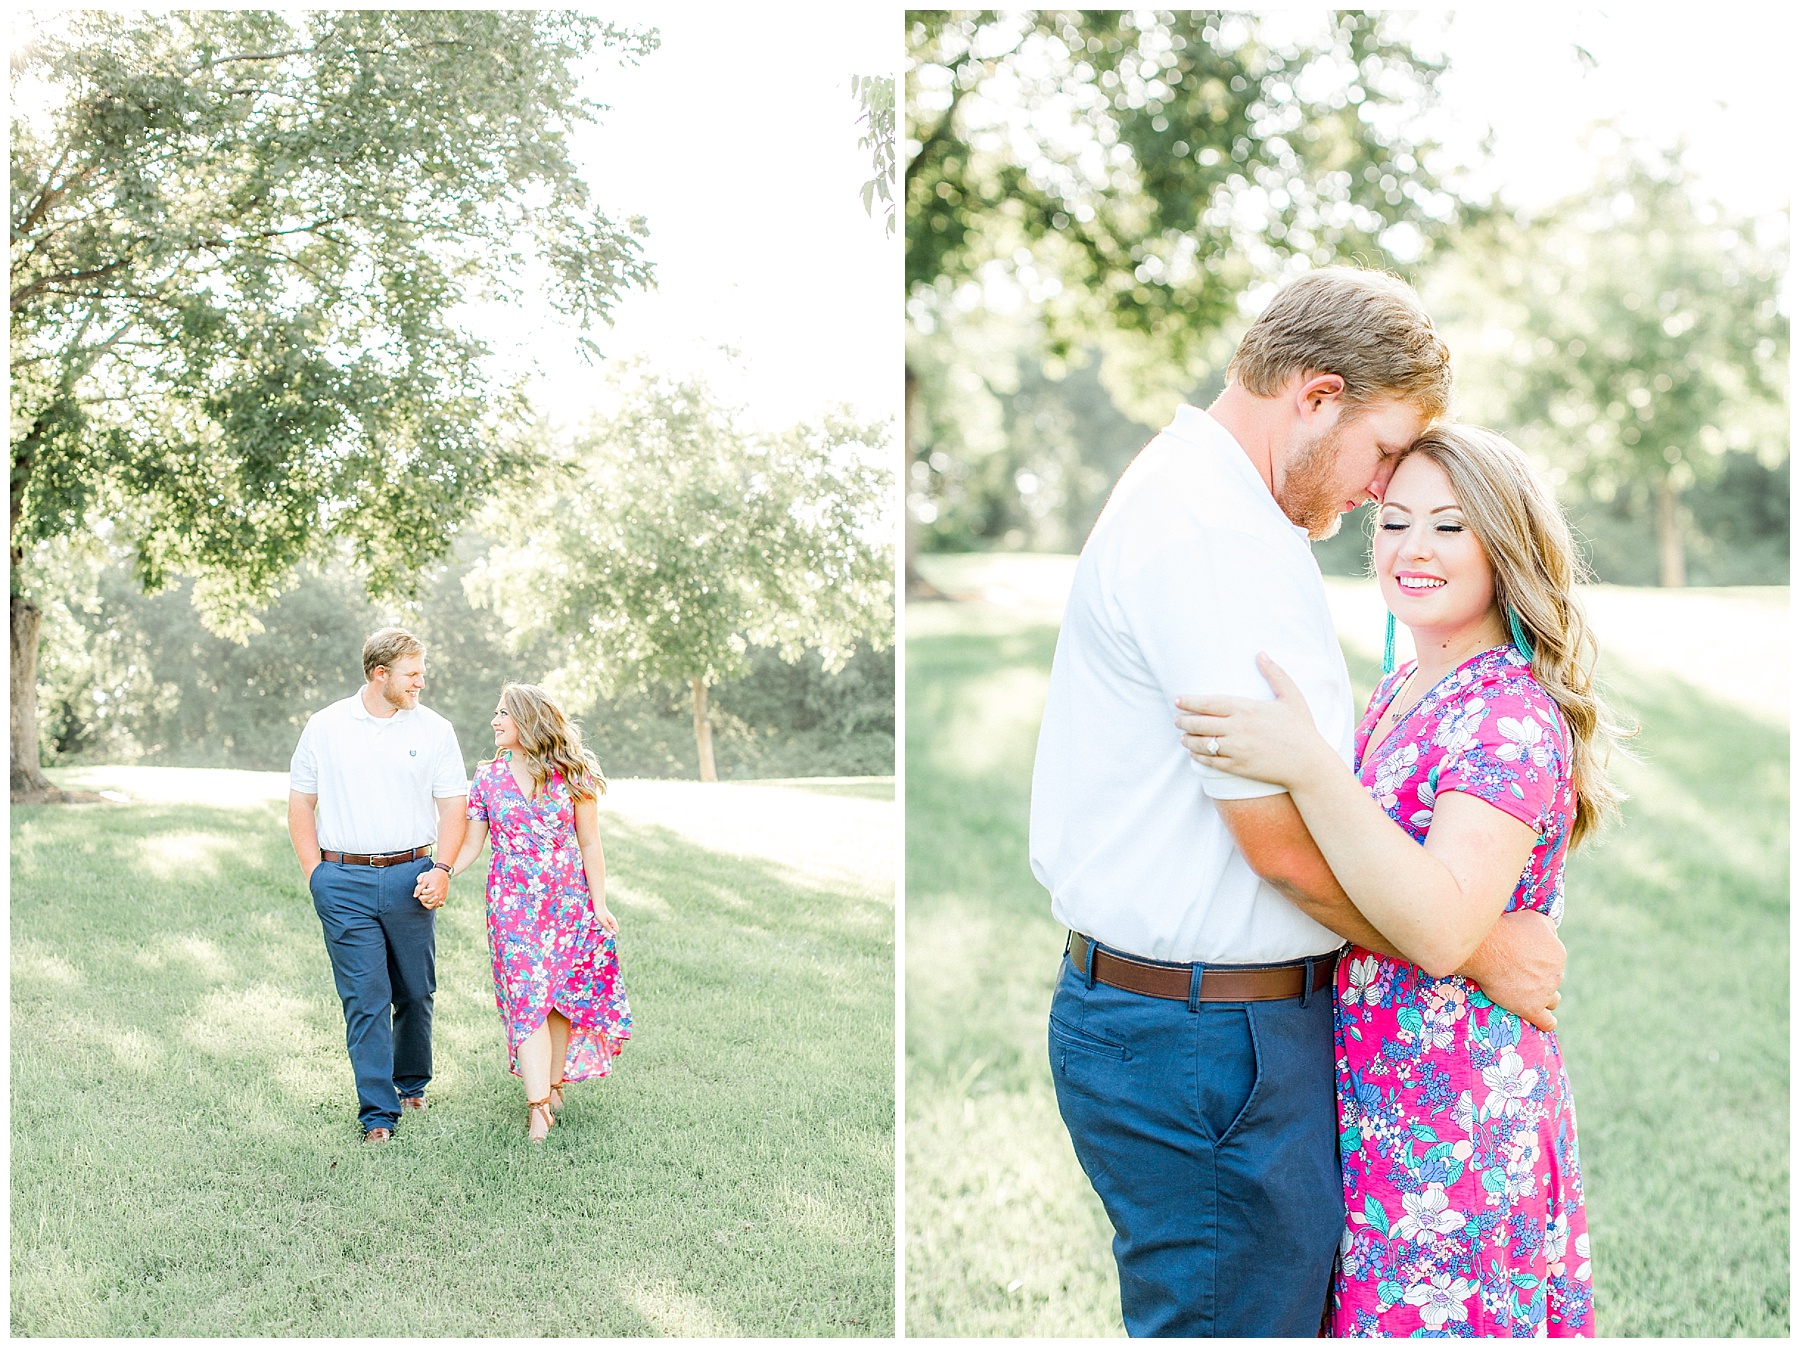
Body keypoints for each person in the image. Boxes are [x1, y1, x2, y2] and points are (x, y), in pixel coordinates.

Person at [1027, 267, 1568, 1337]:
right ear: (1316, 397)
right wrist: (1470, 946)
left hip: (1221, 1028)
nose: (1380, 496)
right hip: (1204, 1041)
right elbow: (1278, 843)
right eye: (1381, 459)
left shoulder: (1221, 504)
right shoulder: (1213, 533)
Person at [1173, 426, 1624, 1336]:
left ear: (1507, 545)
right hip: (1375, 1088)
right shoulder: (1400, 689)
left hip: (1457, 1104)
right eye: (1395, 523)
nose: (1413, 549)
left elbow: (1441, 928)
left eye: (1450, 527)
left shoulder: (1509, 713)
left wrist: (1309, 764)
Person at [288, 628, 467, 1145]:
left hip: (414, 876)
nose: (421, 682)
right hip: (342, 881)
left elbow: (454, 806)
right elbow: (301, 803)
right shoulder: (325, 727)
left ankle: (411, 1080)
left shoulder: (434, 729)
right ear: (379, 674)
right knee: (365, 997)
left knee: (414, 991)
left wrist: (443, 869)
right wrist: (316, 875)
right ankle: (378, 1115)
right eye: (412, 674)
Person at [437, 682, 631, 1143]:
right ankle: (538, 1107)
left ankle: (555, 1084)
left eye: (503, 713)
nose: (494, 721)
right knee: (527, 1001)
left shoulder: (573, 773)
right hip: (512, 909)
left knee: (559, 1000)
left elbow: (590, 842)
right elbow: (471, 844)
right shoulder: (486, 778)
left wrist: (598, 903)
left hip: (569, 904)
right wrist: (443, 871)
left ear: (528, 719)